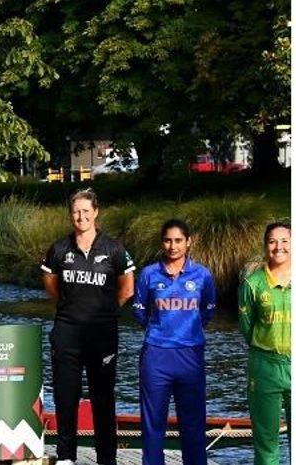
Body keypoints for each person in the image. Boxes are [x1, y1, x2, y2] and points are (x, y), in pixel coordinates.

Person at [40, 187, 135, 465]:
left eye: (85, 211)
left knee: (102, 397)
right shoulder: (59, 249)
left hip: (102, 334)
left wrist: (103, 311)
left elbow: (127, 289)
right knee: (65, 396)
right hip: (67, 330)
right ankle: (66, 456)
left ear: (95, 212)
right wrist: (74, 308)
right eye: (75, 211)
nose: (80, 216)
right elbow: (52, 287)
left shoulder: (114, 249)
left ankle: (106, 458)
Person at [133, 219, 216, 465]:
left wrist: (187, 330)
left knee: (193, 424)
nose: (173, 246)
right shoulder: (149, 274)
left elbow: (208, 311)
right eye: (168, 240)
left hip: (190, 356)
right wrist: (161, 330)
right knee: (153, 424)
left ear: (188, 242)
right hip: (156, 357)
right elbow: (139, 312)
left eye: (178, 240)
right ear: (162, 242)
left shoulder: (202, 275)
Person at [239, 222, 291, 465]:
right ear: (265, 246)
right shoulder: (253, 284)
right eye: (272, 241)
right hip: (265, 366)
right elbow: (247, 328)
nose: (278, 247)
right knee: (267, 442)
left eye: (285, 241)